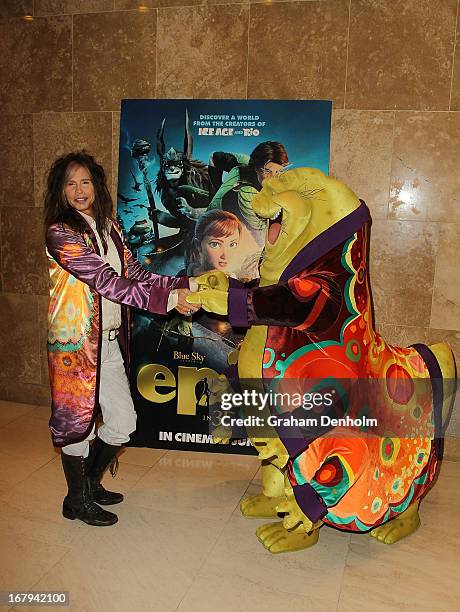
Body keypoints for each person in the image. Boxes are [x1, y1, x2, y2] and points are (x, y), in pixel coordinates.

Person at [44, 151, 200, 527]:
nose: (80, 190)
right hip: (75, 347)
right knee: (75, 423)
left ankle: (90, 484)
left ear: (97, 185)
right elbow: (107, 282)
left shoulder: (109, 227)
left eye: (86, 181)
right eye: (70, 183)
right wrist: (170, 302)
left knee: (123, 421)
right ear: (60, 191)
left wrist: (186, 283)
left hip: (110, 344)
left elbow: (136, 272)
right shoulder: (60, 233)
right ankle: (76, 500)